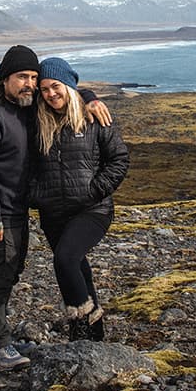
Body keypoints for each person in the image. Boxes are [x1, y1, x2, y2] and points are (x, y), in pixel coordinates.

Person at [0, 45, 110, 370]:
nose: (29, 84)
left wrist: (88, 97)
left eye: (33, 77)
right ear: (5, 78)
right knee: (1, 273)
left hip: (16, 207)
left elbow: (63, 90)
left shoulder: (25, 106)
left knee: (12, 270)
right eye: (22, 77)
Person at [30, 56, 129, 342]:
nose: (51, 94)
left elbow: (119, 160)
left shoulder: (93, 118)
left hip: (92, 209)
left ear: (68, 85)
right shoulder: (37, 121)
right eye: (44, 89)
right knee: (77, 266)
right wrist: (36, 195)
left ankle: (80, 320)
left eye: (56, 86)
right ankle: (93, 334)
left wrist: (94, 190)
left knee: (65, 259)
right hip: (53, 212)